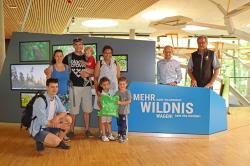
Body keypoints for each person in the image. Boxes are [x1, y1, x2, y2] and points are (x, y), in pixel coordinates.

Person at [45, 38, 93, 138]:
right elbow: (58, 64)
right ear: (73, 46)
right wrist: (48, 69)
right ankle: (71, 131)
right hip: (73, 87)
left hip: (86, 86)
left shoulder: (88, 56)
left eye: (80, 44)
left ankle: (87, 130)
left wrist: (87, 72)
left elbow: (94, 70)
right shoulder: (68, 57)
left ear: (82, 45)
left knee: (87, 111)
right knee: (73, 111)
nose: (79, 46)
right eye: (76, 44)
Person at [29, 78, 72, 152]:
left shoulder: (56, 98)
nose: (55, 89)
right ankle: (39, 140)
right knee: (55, 142)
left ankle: (59, 141)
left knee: (68, 119)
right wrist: (59, 125)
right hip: (39, 129)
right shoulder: (40, 101)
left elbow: (64, 112)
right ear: (47, 87)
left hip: (50, 125)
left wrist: (57, 118)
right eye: (52, 87)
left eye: (56, 87)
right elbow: (43, 122)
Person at [94, 45, 120, 137]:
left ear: (112, 54)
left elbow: (118, 78)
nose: (108, 54)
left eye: (109, 53)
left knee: (109, 112)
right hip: (102, 92)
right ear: (103, 54)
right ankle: (101, 132)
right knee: (102, 111)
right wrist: (98, 91)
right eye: (106, 52)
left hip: (112, 92)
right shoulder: (99, 63)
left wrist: (118, 92)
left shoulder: (116, 63)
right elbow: (96, 78)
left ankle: (109, 133)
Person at [98, 77, 116, 142]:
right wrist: (101, 109)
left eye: (107, 84)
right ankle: (103, 135)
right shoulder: (101, 94)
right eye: (104, 85)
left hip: (109, 111)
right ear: (101, 85)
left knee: (109, 122)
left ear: (109, 84)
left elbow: (113, 101)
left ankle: (110, 134)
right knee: (103, 123)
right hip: (103, 111)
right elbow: (98, 102)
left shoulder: (111, 92)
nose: (106, 86)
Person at [115, 76, 131, 143]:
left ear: (126, 84)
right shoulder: (117, 92)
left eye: (123, 84)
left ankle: (124, 136)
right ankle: (120, 135)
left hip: (124, 112)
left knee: (124, 125)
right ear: (118, 85)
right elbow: (115, 101)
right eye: (120, 84)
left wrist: (120, 102)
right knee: (119, 124)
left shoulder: (127, 92)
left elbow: (129, 101)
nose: (122, 85)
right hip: (118, 112)